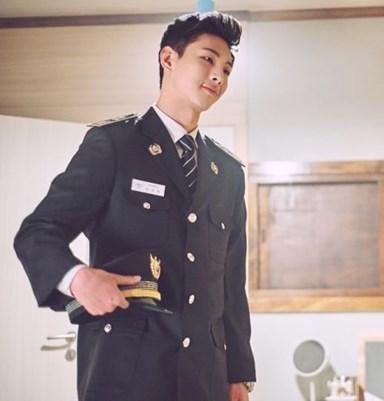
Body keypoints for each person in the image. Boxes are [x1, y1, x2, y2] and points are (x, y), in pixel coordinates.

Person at [14, 11, 256, 401]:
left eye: (227, 69)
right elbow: (37, 232)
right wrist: (77, 278)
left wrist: (240, 374)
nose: (218, 76)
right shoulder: (114, 145)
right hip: (126, 373)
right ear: (168, 58)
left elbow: (230, 283)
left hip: (204, 378)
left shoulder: (227, 172)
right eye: (207, 59)